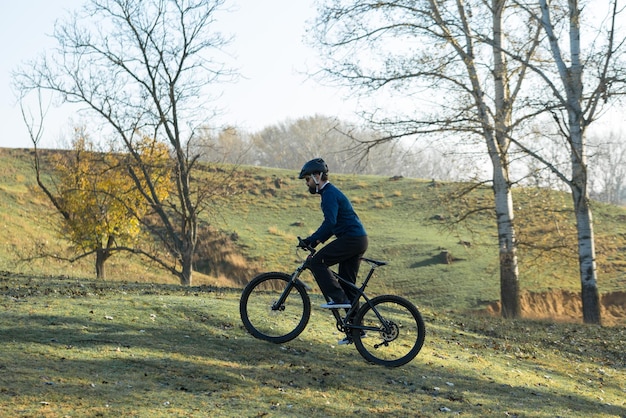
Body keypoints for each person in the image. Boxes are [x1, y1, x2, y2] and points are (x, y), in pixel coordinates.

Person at [298, 158, 368, 314]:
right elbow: (332, 225)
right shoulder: (328, 193)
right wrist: (314, 241)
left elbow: (330, 223)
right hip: (357, 239)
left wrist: (312, 239)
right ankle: (356, 330)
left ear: (317, 176)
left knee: (317, 262)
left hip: (352, 239)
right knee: (347, 284)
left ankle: (338, 298)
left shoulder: (329, 194)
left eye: (307, 179)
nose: (306, 183)